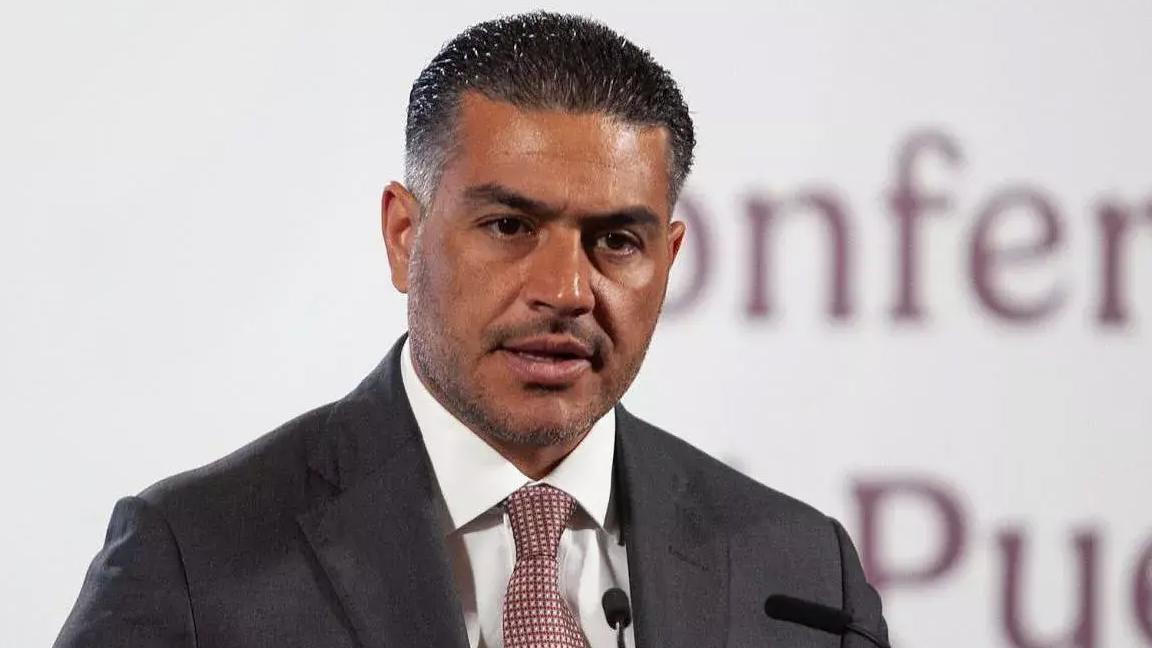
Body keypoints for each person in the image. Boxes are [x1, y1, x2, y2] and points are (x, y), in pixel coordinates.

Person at [55, 11, 886, 648]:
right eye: (509, 227)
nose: (566, 291)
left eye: (616, 242)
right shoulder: (195, 558)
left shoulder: (803, 576)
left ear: (668, 259)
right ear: (403, 235)